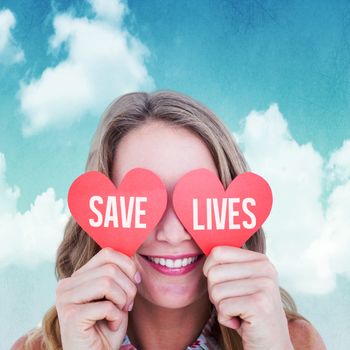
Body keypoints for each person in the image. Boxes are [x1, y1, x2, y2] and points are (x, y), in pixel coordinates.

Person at [12, 91, 326, 350]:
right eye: (146, 200)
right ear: (102, 211)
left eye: (197, 199)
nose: (173, 233)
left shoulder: (293, 342)